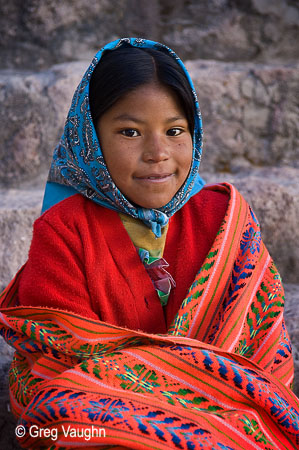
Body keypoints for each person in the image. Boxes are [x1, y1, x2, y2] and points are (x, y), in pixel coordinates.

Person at [0, 37, 298, 449]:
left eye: (175, 130)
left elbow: (264, 351)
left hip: (223, 418)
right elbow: (53, 357)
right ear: (90, 137)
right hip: (109, 423)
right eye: (129, 132)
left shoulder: (223, 219)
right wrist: (166, 397)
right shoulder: (65, 230)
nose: (157, 152)